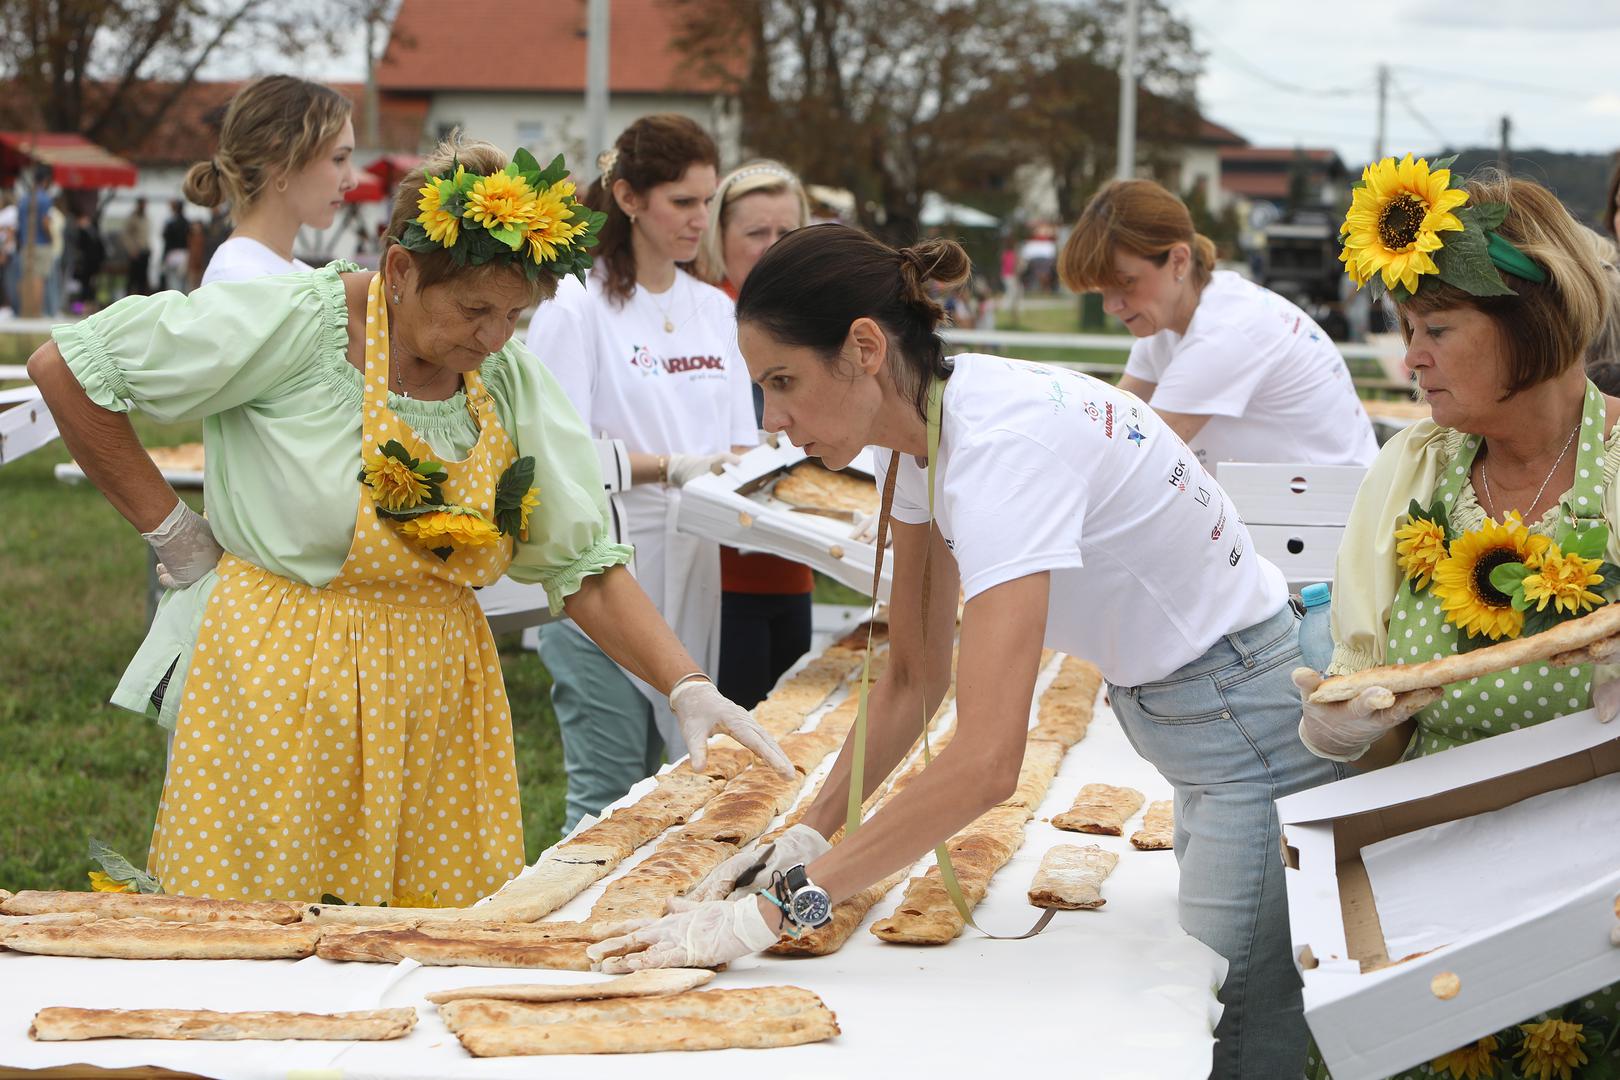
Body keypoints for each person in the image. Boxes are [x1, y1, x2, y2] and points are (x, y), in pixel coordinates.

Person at [588, 225, 1344, 1079]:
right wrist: (803, 835)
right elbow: (912, 678)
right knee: (1203, 1010)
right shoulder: (929, 431)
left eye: (784, 382)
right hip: (1208, 712)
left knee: (1224, 1036)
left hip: (1245, 727)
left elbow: (988, 762)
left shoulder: (999, 451)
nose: (774, 421)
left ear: (865, 348)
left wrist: (780, 909)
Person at [26, 137, 790, 907]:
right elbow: (70, 369)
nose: (493, 338)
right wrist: (173, 532)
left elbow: (579, 560)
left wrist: (686, 684)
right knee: (261, 934)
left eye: (513, 315)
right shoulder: (295, 325)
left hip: (442, 701)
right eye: (474, 310)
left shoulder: (505, 380)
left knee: (428, 948)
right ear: (399, 270)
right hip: (285, 683)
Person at [1294, 161, 1619, 1079]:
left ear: (1532, 321)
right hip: (1428, 888)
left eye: (1437, 328)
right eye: (1407, 331)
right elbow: (1379, 703)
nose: (1413, 359)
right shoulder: (1414, 473)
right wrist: (1346, 729)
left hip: (1597, 898)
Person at [523, 114, 759, 833]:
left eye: (706, 202)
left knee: (679, 788)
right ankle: (563, 935)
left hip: (694, 564)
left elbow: (741, 447)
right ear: (627, 197)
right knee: (607, 797)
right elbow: (549, 456)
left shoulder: (714, 308)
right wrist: (669, 466)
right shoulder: (574, 303)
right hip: (603, 571)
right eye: (682, 203)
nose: (699, 220)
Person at [1062, 178, 1379, 469]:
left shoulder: (1226, 330)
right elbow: (1111, 420)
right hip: (1295, 512)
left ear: (1178, 260)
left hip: (1331, 521)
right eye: (1103, 290)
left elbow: (1133, 454)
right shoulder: (1171, 326)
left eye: (1126, 282)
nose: (1110, 305)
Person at [692, 159, 815, 709]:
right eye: (755, 233)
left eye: (787, 233)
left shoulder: (815, 321)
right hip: (719, 571)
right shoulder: (700, 315)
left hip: (797, 563)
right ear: (720, 237)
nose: (772, 246)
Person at [184, 75, 357, 286]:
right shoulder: (239, 279)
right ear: (281, 160)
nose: (352, 181)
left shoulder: (278, 273)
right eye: (339, 159)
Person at [15, 165, 54, 317]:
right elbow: (45, 222)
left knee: (26, 277)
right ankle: (36, 312)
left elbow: (19, 223)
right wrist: (51, 237)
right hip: (42, 243)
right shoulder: (45, 199)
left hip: (26, 244)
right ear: (46, 180)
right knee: (39, 278)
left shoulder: (24, 199)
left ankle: (25, 309)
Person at [121, 197, 151, 297]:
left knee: (143, 279)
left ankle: (142, 299)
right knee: (132, 279)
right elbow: (126, 235)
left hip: (144, 251)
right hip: (135, 252)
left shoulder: (145, 217)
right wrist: (131, 249)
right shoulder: (133, 218)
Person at [160, 199, 190, 292]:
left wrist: (163, 257)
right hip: (184, 254)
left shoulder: (170, 223)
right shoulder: (187, 223)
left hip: (172, 254)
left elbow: (166, 239)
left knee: (173, 283)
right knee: (183, 282)